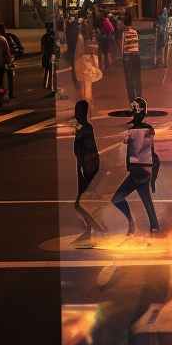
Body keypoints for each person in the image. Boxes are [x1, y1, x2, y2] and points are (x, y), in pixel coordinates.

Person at [111, 98, 160, 236]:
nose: (135, 114)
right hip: (137, 170)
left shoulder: (146, 129)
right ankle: (147, 226)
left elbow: (143, 149)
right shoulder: (133, 129)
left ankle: (136, 225)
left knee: (119, 198)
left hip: (142, 170)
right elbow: (129, 149)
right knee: (145, 201)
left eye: (136, 111)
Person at [72, 99, 103, 240]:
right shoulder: (82, 128)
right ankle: (91, 228)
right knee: (82, 202)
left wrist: (85, 169)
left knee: (82, 202)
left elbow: (88, 150)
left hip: (88, 167)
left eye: (79, 111)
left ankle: (92, 228)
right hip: (83, 166)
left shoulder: (86, 128)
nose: (76, 114)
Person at [121, 13, 142, 104]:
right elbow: (137, 44)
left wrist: (122, 56)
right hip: (136, 55)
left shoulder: (124, 33)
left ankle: (132, 100)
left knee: (129, 78)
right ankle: (139, 97)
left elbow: (122, 46)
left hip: (127, 56)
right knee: (137, 76)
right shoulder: (135, 32)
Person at [41, 22, 57, 94]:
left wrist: (44, 53)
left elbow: (43, 48)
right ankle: (51, 85)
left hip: (47, 54)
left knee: (47, 70)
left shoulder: (44, 36)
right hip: (52, 54)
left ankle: (46, 84)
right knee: (52, 70)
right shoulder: (54, 36)